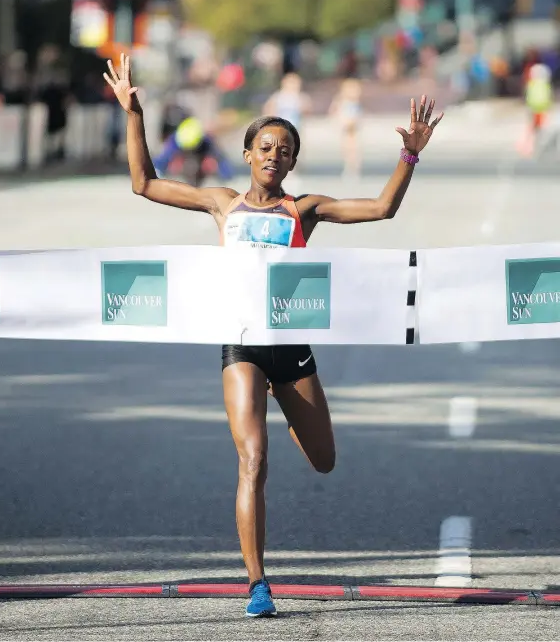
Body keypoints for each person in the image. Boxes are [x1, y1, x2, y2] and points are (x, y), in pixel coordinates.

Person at [104, 53, 444, 618]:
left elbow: (382, 209)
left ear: (292, 162)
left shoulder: (303, 209)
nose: (274, 156)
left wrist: (410, 152)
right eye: (265, 147)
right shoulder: (221, 203)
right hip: (241, 345)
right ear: (247, 155)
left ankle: (289, 410)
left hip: (291, 348)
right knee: (252, 460)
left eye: (284, 150)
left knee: (324, 460)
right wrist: (134, 113)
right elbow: (144, 183)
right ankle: (258, 583)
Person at [328, 78, 364, 177]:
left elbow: (359, 114)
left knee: (354, 146)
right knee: (346, 146)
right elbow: (334, 110)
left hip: (353, 127)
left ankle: (354, 166)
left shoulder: (355, 102)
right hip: (345, 126)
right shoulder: (341, 101)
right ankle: (349, 165)